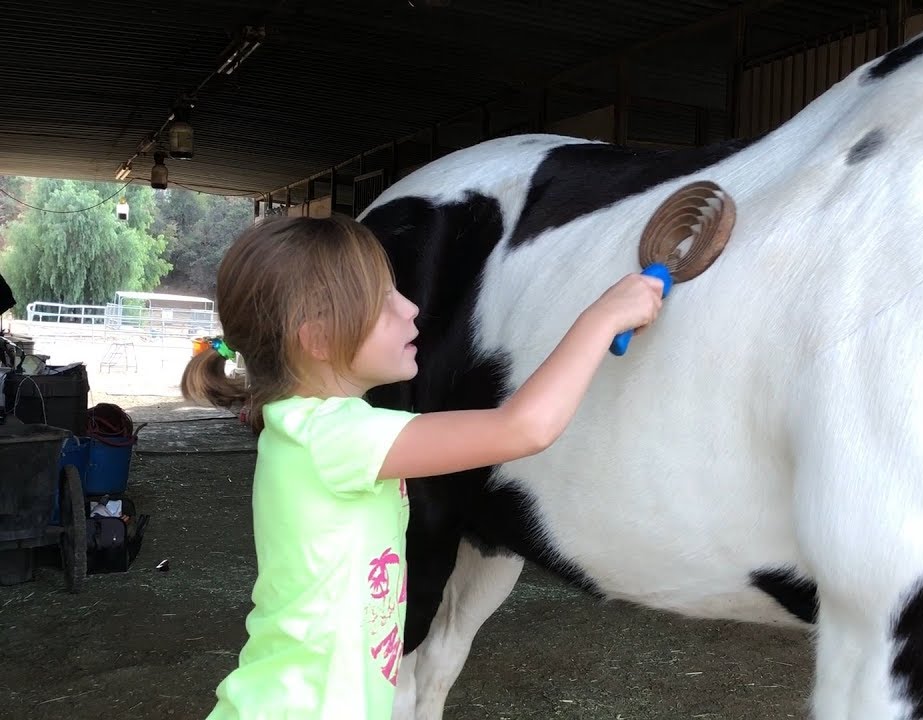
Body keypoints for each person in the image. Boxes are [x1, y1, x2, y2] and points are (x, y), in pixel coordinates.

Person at [181, 214, 664, 719]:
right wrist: (601, 318)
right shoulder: (332, 438)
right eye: (384, 302)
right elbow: (524, 429)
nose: (411, 308)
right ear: (319, 338)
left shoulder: (316, 429)